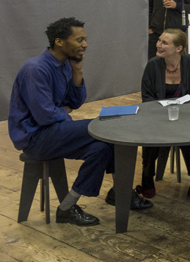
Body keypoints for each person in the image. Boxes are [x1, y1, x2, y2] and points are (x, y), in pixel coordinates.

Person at [8, 17, 152, 226]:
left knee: (102, 148)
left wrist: (77, 71)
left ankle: (69, 206)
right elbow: (45, 116)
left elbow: (75, 102)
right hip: (35, 138)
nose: (85, 44)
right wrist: (63, 111)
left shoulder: (66, 65)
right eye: (79, 40)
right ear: (59, 42)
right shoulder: (36, 69)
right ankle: (121, 192)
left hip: (55, 130)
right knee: (107, 127)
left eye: (85, 39)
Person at [140, 28, 190, 197]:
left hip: (187, 116)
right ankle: (147, 176)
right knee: (151, 136)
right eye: (159, 40)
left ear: (179, 48)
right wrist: (161, 113)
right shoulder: (152, 65)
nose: (158, 45)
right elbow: (147, 97)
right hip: (158, 117)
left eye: (164, 42)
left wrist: (182, 111)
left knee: (186, 133)